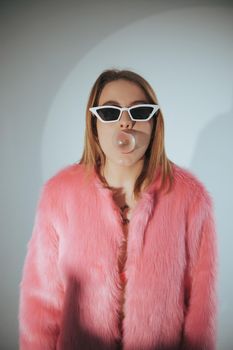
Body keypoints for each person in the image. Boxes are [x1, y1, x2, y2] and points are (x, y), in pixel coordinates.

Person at [18, 69, 218, 350]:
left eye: (140, 112)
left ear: (154, 122)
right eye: (111, 114)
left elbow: (201, 305)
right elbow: (40, 302)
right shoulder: (59, 194)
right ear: (94, 124)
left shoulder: (190, 197)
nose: (126, 123)